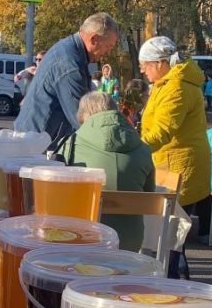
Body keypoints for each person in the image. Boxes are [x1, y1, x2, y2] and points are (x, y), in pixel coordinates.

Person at [137, 36, 212, 277]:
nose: (141, 69)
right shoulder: (170, 83)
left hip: (178, 168)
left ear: (160, 63)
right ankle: (176, 286)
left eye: (145, 64)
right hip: (174, 164)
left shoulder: (176, 87)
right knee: (172, 238)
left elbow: (162, 131)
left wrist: (133, 148)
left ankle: (177, 289)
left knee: (171, 238)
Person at [57, 91, 155, 251]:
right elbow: (149, 197)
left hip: (84, 239)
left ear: (83, 115)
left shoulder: (70, 144)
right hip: (131, 243)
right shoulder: (144, 149)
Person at [13, 13, 119, 149]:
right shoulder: (69, 65)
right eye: (108, 46)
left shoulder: (70, 50)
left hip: (35, 138)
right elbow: (83, 118)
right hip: (36, 145)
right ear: (94, 39)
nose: (108, 52)